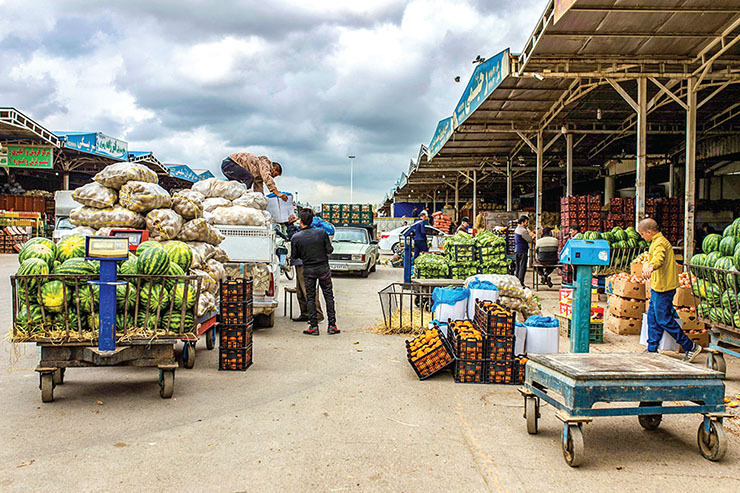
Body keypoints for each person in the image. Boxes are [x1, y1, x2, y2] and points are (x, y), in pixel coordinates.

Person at [638, 218, 701, 361]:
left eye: (642, 234)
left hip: (664, 288)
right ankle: (652, 348)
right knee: (652, 318)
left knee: (664, 319)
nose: (642, 237)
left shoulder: (660, 243)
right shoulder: (656, 241)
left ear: (649, 232)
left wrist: (651, 266)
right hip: (657, 286)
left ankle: (690, 346)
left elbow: (659, 259)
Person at [291, 208, 338, 336]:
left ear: (301, 221)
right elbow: (329, 250)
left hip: (308, 269)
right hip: (323, 268)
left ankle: (313, 326)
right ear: (312, 220)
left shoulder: (296, 237)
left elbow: (295, 255)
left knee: (310, 297)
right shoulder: (322, 233)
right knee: (329, 296)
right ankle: (332, 325)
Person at [288, 208, 324, 323]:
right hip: (300, 264)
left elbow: (294, 239)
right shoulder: (300, 230)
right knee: (300, 290)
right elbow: (291, 236)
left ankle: (317, 314)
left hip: (305, 264)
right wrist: (290, 225)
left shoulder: (310, 232)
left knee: (308, 290)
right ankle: (305, 313)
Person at [220, 151, 288, 201]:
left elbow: (258, 189)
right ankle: (243, 198)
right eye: (275, 175)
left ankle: (233, 199)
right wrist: (277, 193)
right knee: (249, 178)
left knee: (239, 185)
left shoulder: (258, 174)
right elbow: (266, 177)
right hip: (230, 163)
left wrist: (261, 201)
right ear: (274, 168)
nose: (273, 177)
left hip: (228, 168)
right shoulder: (265, 163)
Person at [514, 215, 533, 287]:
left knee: (518, 267)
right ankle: (521, 283)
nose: (527, 224)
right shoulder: (523, 230)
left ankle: (517, 282)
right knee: (522, 267)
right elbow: (529, 240)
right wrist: (531, 235)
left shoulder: (517, 229)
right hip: (522, 251)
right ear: (522, 222)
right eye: (526, 222)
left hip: (517, 250)